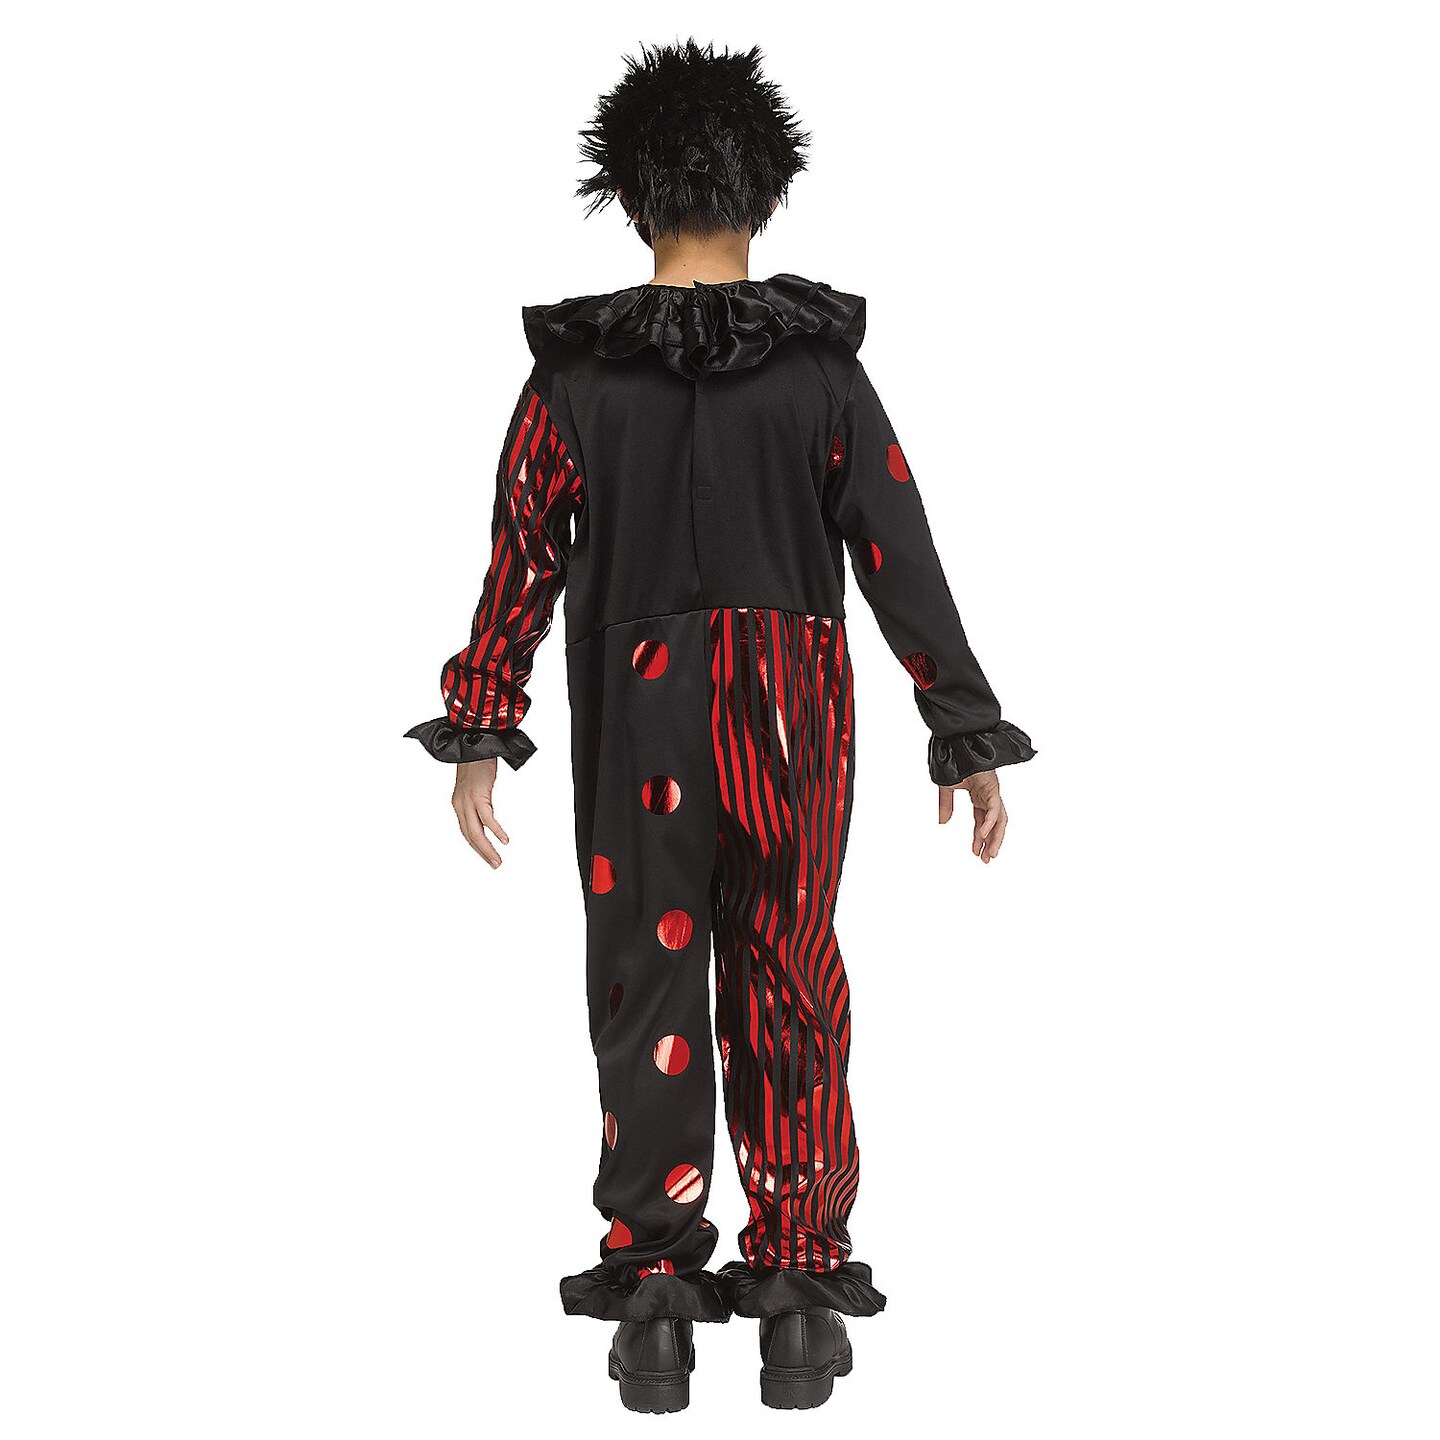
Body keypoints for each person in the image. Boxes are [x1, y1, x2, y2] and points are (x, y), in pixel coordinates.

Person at [407, 40, 1034, 1413]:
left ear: (632, 200)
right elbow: (898, 546)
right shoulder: (820, 372)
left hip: (639, 712)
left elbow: (520, 550)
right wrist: (961, 722)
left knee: (646, 983)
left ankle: (652, 1303)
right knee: (789, 969)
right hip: (790, 711)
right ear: (769, 194)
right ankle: (799, 1290)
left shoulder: (575, 378)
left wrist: (482, 720)